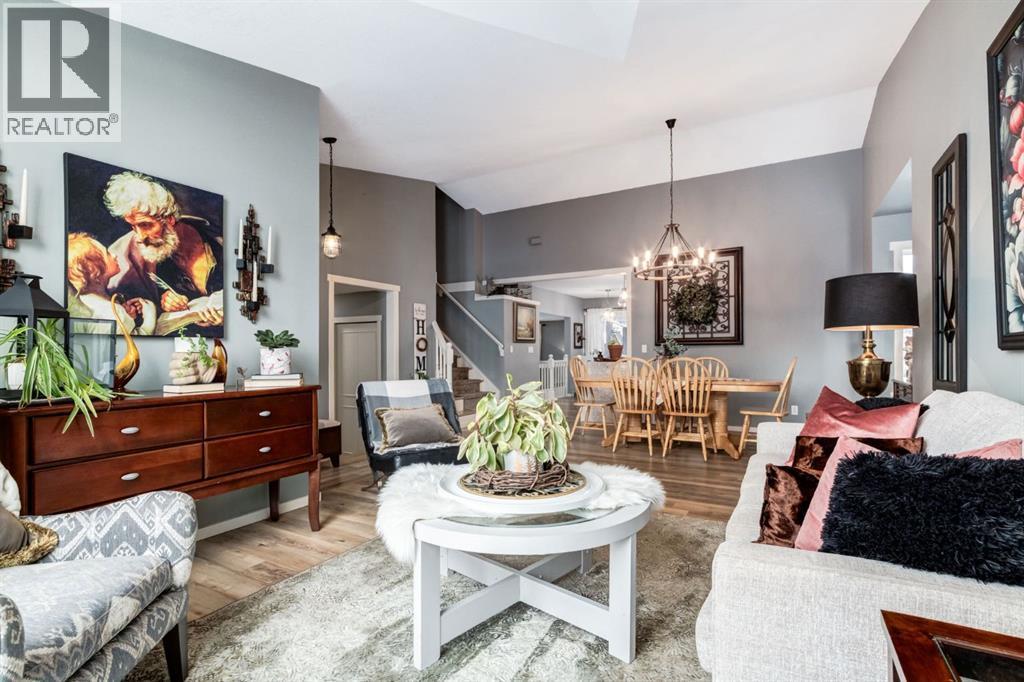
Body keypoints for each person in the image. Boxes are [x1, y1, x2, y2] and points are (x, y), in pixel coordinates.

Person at [103, 171, 223, 327]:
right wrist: (167, 303)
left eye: (145, 225)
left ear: (170, 219)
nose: (140, 237)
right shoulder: (147, 258)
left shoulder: (216, 239)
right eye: (133, 227)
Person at [66, 232, 157, 335]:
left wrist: (128, 318)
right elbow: (137, 342)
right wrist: (150, 312)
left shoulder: (84, 303)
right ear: (94, 271)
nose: (114, 255)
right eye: (107, 254)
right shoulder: (114, 313)